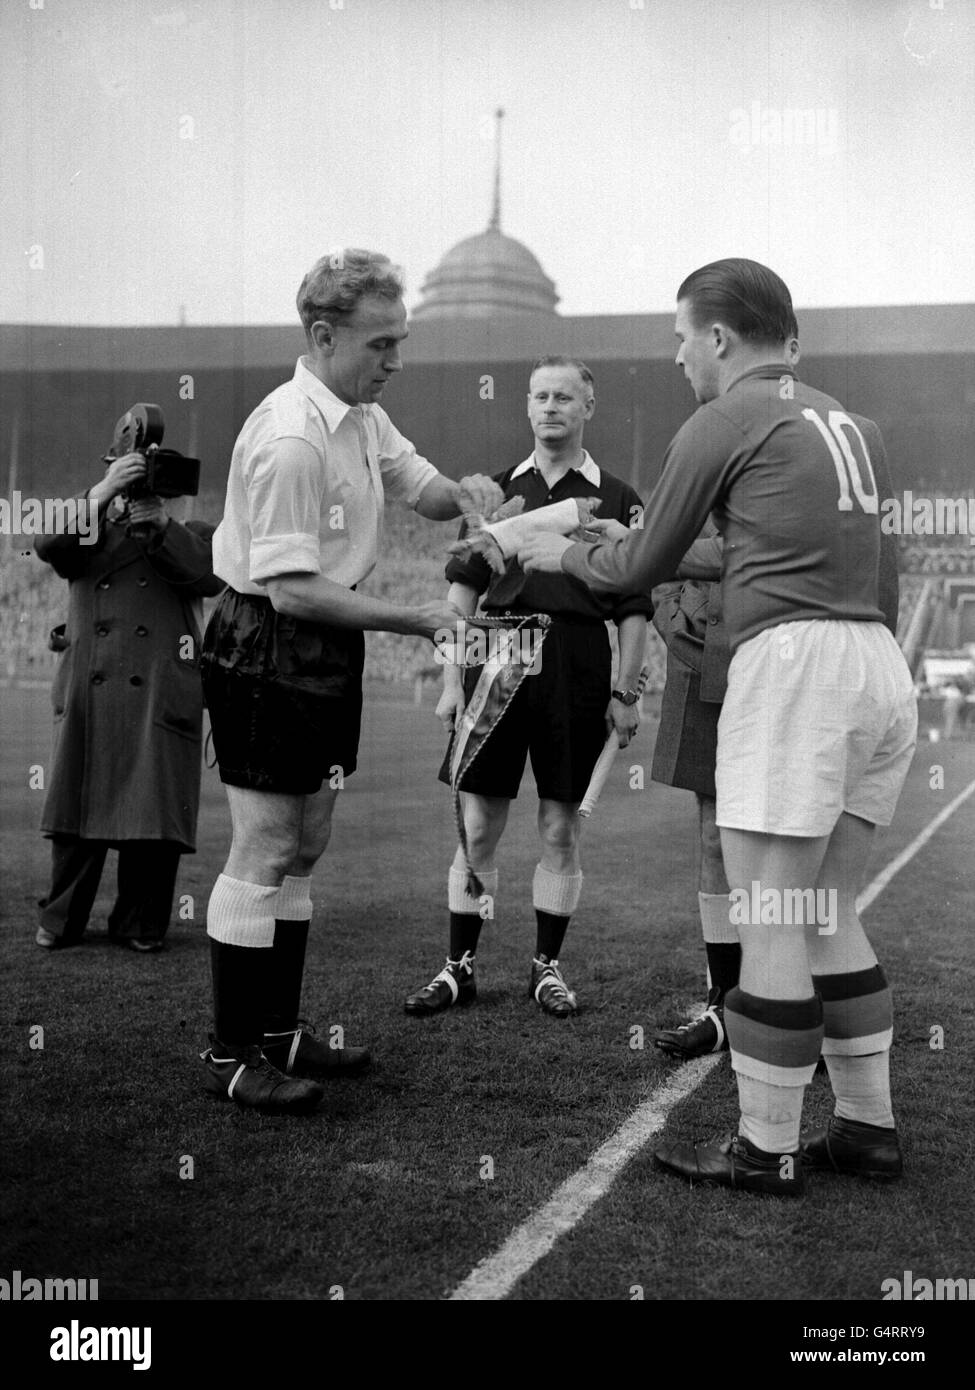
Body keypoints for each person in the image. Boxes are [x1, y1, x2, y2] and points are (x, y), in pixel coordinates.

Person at [518, 259, 917, 1196]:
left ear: (722, 338)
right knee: (825, 911)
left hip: (795, 665)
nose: (676, 356)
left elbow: (639, 561)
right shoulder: (849, 421)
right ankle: (866, 1130)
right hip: (875, 664)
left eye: (680, 338)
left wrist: (561, 547)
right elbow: (870, 570)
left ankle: (763, 1147)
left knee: (773, 913)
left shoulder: (725, 416)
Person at [199, 248, 498, 1113]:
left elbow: (421, 487)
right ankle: (230, 1053)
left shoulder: (359, 414)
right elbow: (290, 588)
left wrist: (469, 492)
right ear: (325, 336)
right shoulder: (291, 438)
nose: (395, 362)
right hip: (268, 639)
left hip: (324, 641)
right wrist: (420, 620)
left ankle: (278, 1031)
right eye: (381, 345)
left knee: (307, 842)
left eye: (400, 341)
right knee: (263, 843)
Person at [403, 357, 650, 1019]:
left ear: (585, 408)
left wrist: (624, 693)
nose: (549, 408)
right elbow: (461, 590)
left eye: (563, 397)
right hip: (494, 654)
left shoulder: (616, 496)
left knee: (559, 826)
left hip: (574, 659)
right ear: (527, 406)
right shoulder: (492, 498)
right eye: (539, 396)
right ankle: (459, 967)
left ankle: (547, 966)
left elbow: (632, 610)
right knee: (478, 824)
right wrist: (452, 682)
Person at [35, 455, 221, 952]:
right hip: (92, 697)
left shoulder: (191, 532)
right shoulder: (86, 530)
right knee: (76, 814)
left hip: (158, 693)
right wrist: (99, 492)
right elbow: (46, 543)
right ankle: (60, 919)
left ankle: (141, 923)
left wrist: (160, 525)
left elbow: (212, 574)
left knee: (153, 816)